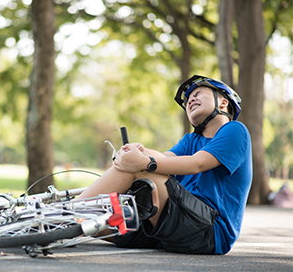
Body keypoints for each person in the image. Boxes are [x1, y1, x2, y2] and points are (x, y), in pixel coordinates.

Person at [78, 75, 253, 255]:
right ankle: (65, 220)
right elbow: (164, 158)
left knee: (139, 167)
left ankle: (66, 214)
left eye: (198, 94)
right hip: (174, 222)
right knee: (89, 223)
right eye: (188, 100)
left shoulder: (234, 130)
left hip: (210, 231)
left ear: (223, 103)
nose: (190, 100)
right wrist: (139, 151)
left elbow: (197, 163)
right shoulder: (190, 139)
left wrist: (143, 161)